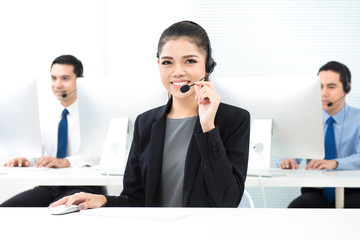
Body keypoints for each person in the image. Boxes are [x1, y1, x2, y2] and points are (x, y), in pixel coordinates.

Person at [50, 21, 250, 210]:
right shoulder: (145, 123)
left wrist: (208, 127)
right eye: (167, 62)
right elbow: (136, 199)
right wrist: (103, 200)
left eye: (190, 61)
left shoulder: (234, 120)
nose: (177, 71)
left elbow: (227, 201)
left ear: (208, 65)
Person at [1, 55, 104, 207]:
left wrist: (67, 162)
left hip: (84, 187)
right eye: (54, 78)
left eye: (65, 78)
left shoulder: (96, 114)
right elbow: (44, 157)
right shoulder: (46, 117)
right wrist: (26, 160)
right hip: (50, 186)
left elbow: (105, 155)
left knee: (58, 212)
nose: (58, 85)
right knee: (6, 211)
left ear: (80, 80)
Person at [278, 61, 360, 208]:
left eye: (331, 87)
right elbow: (287, 151)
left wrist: (335, 163)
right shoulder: (306, 119)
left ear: (347, 88)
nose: (323, 93)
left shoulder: (358, 119)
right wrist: (287, 160)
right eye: (320, 87)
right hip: (316, 190)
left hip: (353, 190)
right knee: (296, 210)